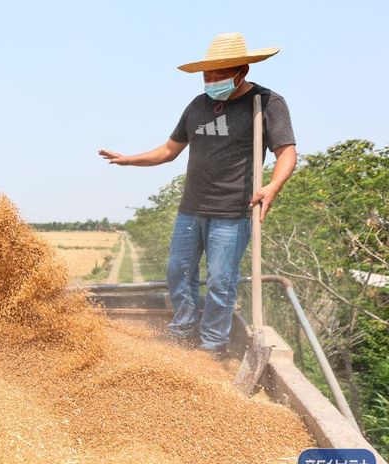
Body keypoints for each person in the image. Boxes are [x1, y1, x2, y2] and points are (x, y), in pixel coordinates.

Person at [99, 32, 297, 356]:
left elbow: (286, 152)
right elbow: (168, 150)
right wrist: (129, 159)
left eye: (221, 74)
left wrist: (272, 186)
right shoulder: (198, 106)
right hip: (191, 208)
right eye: (208, 75)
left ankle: (213, 344)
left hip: (233, 210)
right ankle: (183, 331)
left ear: (242, 71)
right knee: (179, 272)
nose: (212, 81)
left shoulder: (266, 102)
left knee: (221, 280)